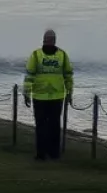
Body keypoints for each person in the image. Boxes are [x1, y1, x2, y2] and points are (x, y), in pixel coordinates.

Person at [23, 29, 74, 161]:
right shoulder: (36, 55)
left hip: (57, 96)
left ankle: (54, 153)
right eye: (46, 39)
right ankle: (41, 154)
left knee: (54, 126)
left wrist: (69, 92)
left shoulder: (62, 55)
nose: (48, 41)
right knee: (41, 126)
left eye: (50, 39)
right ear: (43, 40)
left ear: (54, 40)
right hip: (39, 96)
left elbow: (68, 75)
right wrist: (26, 92)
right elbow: (29, 75)